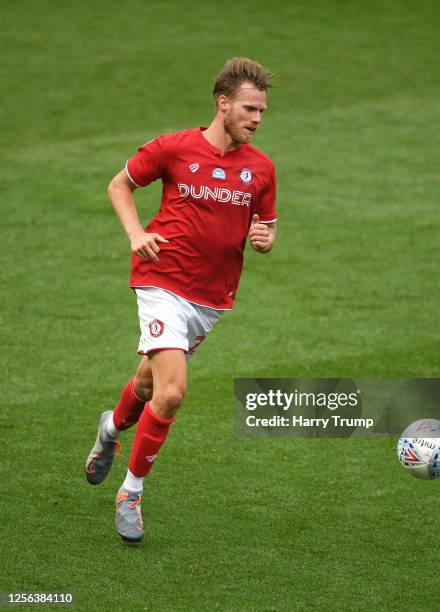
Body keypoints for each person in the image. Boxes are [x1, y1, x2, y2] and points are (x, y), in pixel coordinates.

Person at [85, 57, 277, 543]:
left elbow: (267, 228)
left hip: (210, 299)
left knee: (149, 385)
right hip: (160, 281)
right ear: (223, 103)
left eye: (262, 112)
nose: (257, 119)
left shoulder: (261, 169)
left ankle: (111, 428)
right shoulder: (175, 148)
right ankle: (131, 492)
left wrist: (263, 239)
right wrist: (135, 233)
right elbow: (119, 184)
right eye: (250, 109)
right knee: (172, 392)